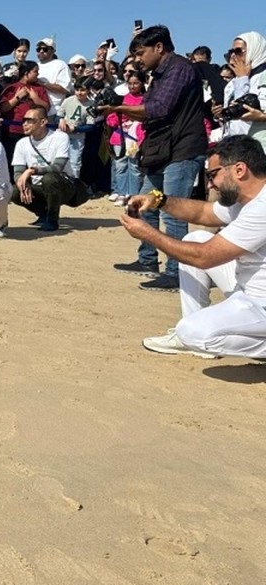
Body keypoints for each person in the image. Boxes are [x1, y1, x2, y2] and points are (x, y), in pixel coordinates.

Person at [127, 136, 266, 359]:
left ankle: (195, 336)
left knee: (192, 332)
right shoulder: (246, 199)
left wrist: (148, 234)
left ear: (239, 170)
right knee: (196, 238)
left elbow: (204, 257)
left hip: (261, 304)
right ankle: (193, 333)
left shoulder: (262, 207)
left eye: (213, 175)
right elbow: (203, 212)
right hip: (249, 292)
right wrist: (158, 199)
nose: (210, 184)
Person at [98, 25, 208, 292]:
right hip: (161, 149)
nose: (137, 58)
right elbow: (151, 109)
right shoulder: (158, 74)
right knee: (140, 205)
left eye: (141, 52)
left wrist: (117, 106)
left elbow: (158, 109)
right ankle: (147, 259)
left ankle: (175, 273)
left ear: (159, 48)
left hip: (182, 149)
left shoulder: (179, 69)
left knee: (172, 212)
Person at [10, 107, 80, 231]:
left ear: (43, 122)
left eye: (30, 120)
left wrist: (32, 171)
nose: (25, 124)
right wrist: (23, 182)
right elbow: (17, 171)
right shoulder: (22, 143)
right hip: (39, 186)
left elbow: (58, 167)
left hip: (64, 185)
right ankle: (43, 214)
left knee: (49, 179)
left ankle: (52, 220)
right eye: (24, 120)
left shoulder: (60, 137)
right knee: (14, 191)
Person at [105, 69, 146, 205]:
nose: (133, 86)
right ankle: (121, 193)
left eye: (136, 83)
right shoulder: (121, 99)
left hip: (136, 137)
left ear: (142, 83)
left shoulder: (145, 100)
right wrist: (121, 118)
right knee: (120, 165)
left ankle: (133, 194)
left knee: (134, 167)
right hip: (120, 137)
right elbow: (111, 118)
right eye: (130, 83)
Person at [219, 32, 266, 147]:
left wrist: (261, 117)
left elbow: (246, 111)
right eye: (231, 52)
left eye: (238, 51)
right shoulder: (232, 84)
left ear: (254, 50)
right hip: (236, 147)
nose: (234, 57)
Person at [0, 61, 49, 157]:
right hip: (13, 131)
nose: (38, 74)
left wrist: (35, 98)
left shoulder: (39, 89)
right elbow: (3, 108)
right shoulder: (12, 87)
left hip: (34, 131)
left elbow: (46, 108)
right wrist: (17, 97)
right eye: (35, 71)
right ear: (26, 73)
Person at [33, 37, 71, 119]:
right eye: (38, 49)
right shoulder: (35, 66)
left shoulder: (60, 65)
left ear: (53, 51)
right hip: (36, 111)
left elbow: (65, 90)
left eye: (45, 49)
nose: (41, 51)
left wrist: (43, 84)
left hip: (54, 112)